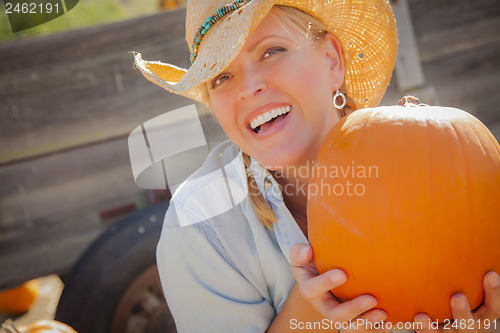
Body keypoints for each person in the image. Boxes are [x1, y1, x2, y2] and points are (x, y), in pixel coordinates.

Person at [133, 0, 500, 332]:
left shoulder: (440, 158)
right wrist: (311, 313)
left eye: (271, 50)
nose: (248, 87)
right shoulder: (200, 225)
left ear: (332, 61)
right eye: (221, 76)